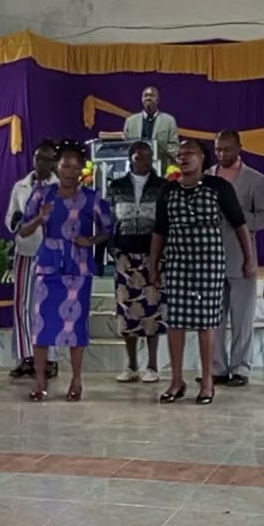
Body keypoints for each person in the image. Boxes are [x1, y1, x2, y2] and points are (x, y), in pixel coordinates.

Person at [150, 139, 254, 405]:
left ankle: (208, 381)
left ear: (202, 158)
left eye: (190, 154)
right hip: (177, 263)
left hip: (209, 263)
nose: (184, 158)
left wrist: (249, 259)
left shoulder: (219, 187)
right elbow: (159, 231)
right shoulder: (168, 190)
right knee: (176, 321)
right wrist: (154, 265)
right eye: (180, 154)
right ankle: (176, 380)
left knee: (208, 322)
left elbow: (240, 225)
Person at [17, 142, 112, 401]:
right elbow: (22, 229)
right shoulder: (42, 195)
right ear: (56, 167)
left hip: (78, 267)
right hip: (48, 265)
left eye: (75, 166)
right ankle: (39, 381)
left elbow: (108, 228)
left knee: (75, 326)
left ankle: (77, 380)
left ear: (82, 169)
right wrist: (39, 220)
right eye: (65, 166)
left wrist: (90, 242)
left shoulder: (92, 198)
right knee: (42, 325)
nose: (70, 171)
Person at [208, 130, 264, 387]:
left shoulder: (256, 180)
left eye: (227, 149)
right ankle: (217, 368)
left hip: (242, 256)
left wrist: (238, 218)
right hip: (211, 258)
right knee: (214, 317)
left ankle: (241, 368)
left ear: (239, 148)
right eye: (218, 150)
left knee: (242, 317)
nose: (222, 154)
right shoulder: (207, 177)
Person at [106, 141, 167, 383]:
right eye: (139, 156)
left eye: (148, 157)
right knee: (126, 309)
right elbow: (109, 220)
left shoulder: (162, 186)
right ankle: (131, 365)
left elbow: (165, 222)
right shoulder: (117, 185)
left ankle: (152, 366)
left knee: (152, 310)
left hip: (152, 254)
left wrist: (161, 254)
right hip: (125, 255)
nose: (144, 161)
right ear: (130, 158)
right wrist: (113, 249)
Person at [5, 139, 59, 380]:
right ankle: (25, 356)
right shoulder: (21, 186)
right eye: (38, 158)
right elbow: (10, 218)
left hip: (52, 252)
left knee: (48, 306)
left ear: (55, 162)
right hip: (26, 249)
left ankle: (50, 359)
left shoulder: (62, 187)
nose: (42, 163)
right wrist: (18, 221)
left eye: (47, 159)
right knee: (21, 305)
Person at [123, 86, 180, 165]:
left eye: (152, 95)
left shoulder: (169, 121)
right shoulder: (131, 121)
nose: (148, 98)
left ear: (158, 100)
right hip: (137, 166)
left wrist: (157, 153)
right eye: (145, 95)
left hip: (161, 166)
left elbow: (174, 147)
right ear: (142, 100)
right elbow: (125, 146)